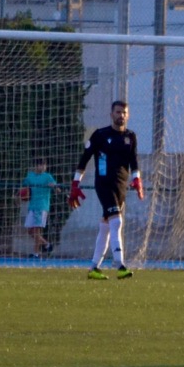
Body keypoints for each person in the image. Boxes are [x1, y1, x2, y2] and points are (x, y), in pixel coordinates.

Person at [73, 100, 141, 278]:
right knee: (116, 222)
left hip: (121, 186)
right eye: (118, 112)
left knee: (105, 226)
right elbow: (84, 160)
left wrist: (137, 180)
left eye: (124, 113)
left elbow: (134, 162)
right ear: (111, 114)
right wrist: (75, 184)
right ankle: (120, 265)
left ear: (128, 115)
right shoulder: (100, 135)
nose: (121, 116)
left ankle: (94, 268)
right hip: (104, 184)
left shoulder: (131, 137)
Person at [17, 157, 59, 256]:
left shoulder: (47, 177)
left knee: (36, 230)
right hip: (32, 206)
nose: (44, 167)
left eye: (45, 165)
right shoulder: (30, 176)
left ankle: (36, 253)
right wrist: (18, 194)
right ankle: (47, 244)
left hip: (42, 206)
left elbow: (57, 189)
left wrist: (54, 187)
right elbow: (23, 188)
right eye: (41, 165)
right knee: (30, 231)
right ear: (36, 166)